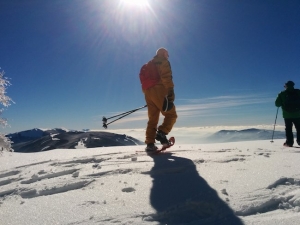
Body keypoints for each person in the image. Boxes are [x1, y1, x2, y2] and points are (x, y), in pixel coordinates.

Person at [141, 48, 177, 152]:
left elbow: (144, 83)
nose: (168, 56)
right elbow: (166, 76)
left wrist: (150, 97)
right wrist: (170, 91)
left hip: (148, 93)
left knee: (153, 119)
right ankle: (161, 133)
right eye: (167, 54)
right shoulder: (162, 61)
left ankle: (150, 144)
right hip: (159, 90)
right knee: (171, 114)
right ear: (163, 53)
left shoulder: (148, 65)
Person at [275, 80, 300, 147]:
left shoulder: (282, 94)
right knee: (299, 128)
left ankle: (289, 143)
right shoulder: (298, 92)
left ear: (286, 86)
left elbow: (277, 104)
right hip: (298, 114)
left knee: (288, 129)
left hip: (287, 115)